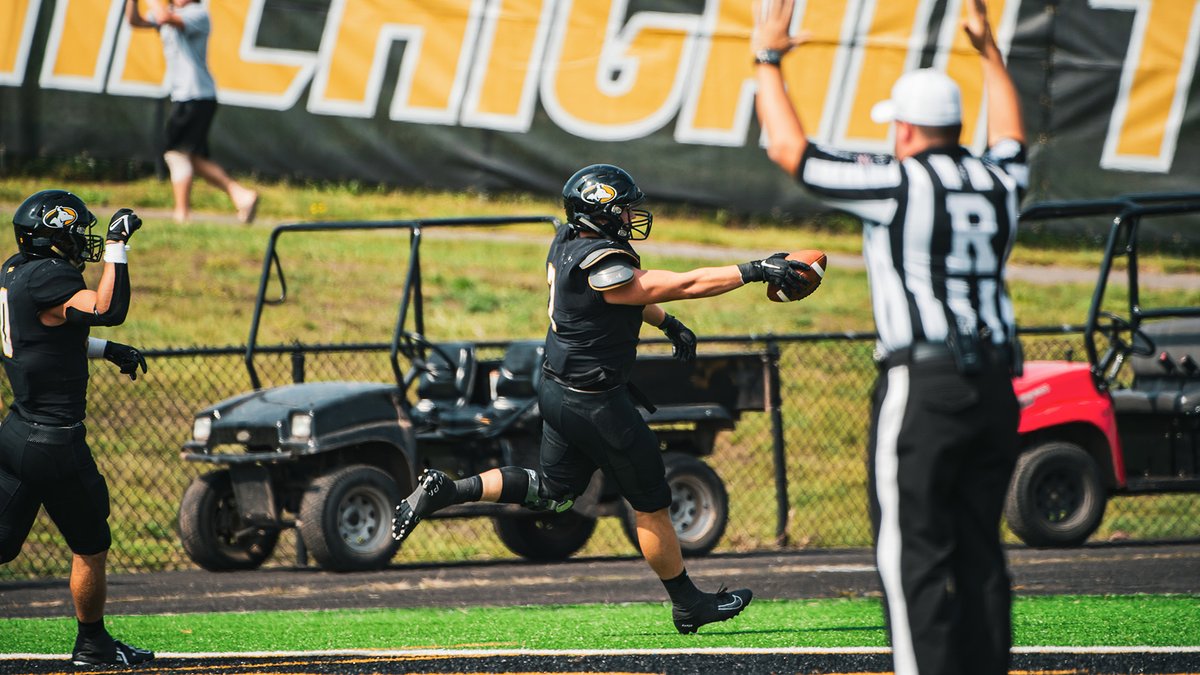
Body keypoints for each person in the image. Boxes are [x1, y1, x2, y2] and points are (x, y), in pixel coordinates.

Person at [393, 163, 811, 634]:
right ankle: (689, 604)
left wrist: (665, 323)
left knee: (552, 494)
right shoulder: (604, 262)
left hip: (556, 390)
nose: (631, 214)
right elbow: (677, 283)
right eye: (623, 208)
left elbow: (627, 293)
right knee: (651, 505)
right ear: (601, 212)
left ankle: (449, 490)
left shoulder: (568, 241)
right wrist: (754, 269)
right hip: (595, 403)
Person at [752, 0, 1025, 672]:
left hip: (925, 383)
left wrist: (766, 59)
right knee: (980, 548)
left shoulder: (899, 183)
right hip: (996, 384)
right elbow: (1015, 140)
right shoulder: (999, 183)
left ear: (905, 130)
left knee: (914, 553)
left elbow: (791, 150)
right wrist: (990, 52)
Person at [0, 190, 152, 667]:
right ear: (54, 235)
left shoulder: (15, 270)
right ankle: (93, 644)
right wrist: (116, 244)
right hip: (55, 441)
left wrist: (106, 350)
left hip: (16, 432)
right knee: (91, 543)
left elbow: (44, 333)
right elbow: (106, 307)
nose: (79, 240)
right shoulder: (53, 276)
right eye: (75, 230)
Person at [126, 0, 258, 225]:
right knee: (193, 158)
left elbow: (164, 18)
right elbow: (135, 21)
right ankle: (242, 195)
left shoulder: (197, 13)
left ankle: (182, 213)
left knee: (176, 153)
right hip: (187, 96)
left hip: (195, 95)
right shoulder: (168, 12)